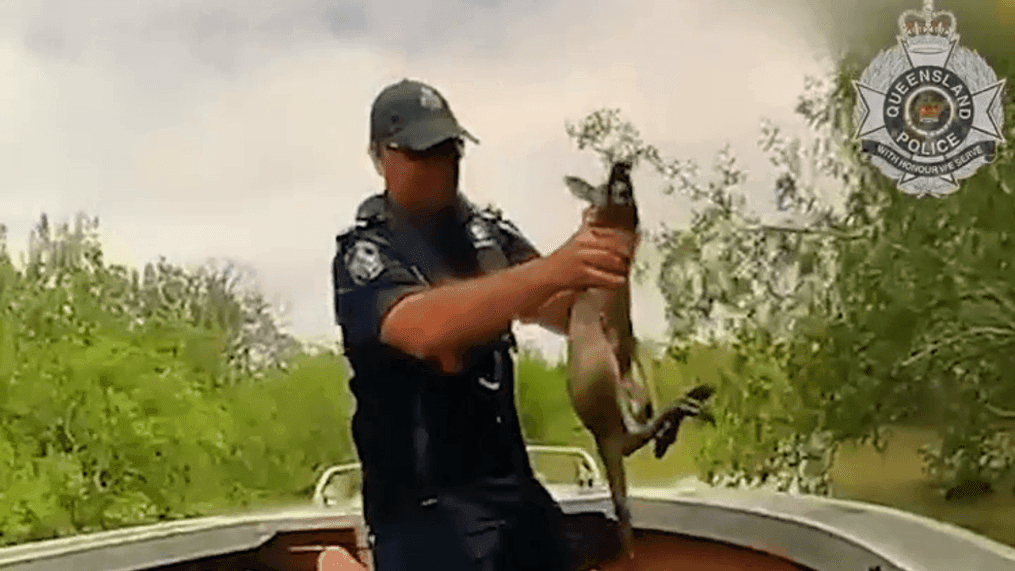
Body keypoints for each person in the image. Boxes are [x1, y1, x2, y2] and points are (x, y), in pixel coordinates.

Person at [331, 78, 638, 571]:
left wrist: (604, 257)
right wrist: (556, 268)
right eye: (421, 151)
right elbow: (420, 328)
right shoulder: (365, 254)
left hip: (511, 492)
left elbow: (565, 310)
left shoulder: (487, 232)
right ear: (378, 157)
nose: (441, 165)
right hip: (422, 510)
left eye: (450, 148)